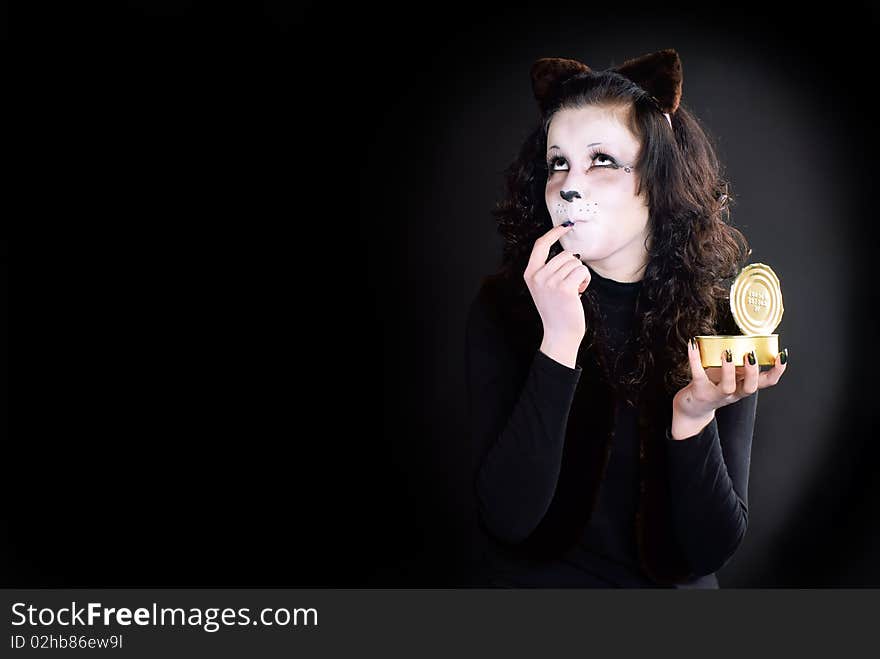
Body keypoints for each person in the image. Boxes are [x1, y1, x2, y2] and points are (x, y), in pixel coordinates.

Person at [465, 48, 788, 588]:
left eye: (602, 161)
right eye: (557, 162)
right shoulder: (506, 309)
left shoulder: (720, 318)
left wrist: (693, 416)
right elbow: (507, 519)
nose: (569, 186)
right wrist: (559, 343)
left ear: (658, 181)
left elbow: (710, 550)